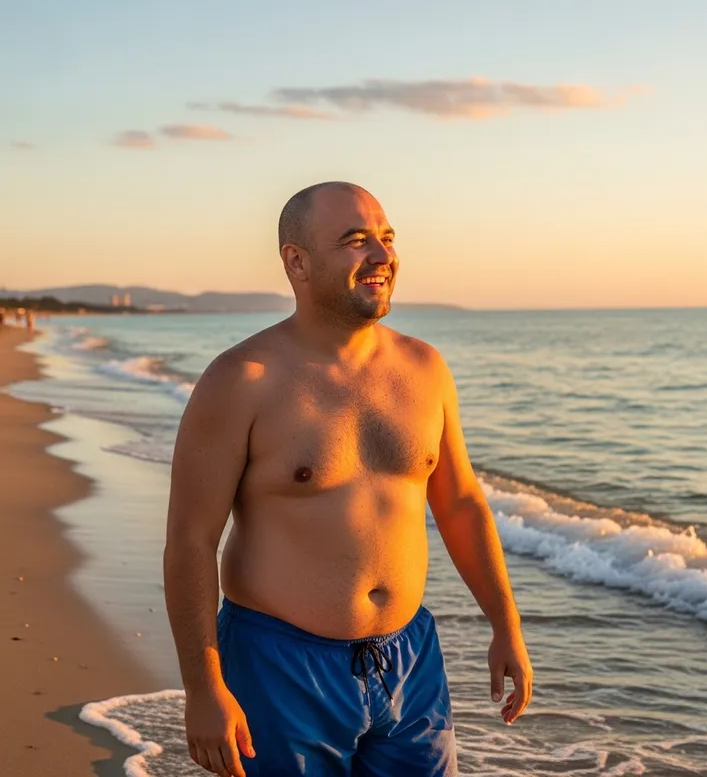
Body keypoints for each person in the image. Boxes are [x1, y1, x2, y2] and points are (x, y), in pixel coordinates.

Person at [163, 182, 533, 777]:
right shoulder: (241, 380)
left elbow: (461, 504)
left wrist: (505, 624)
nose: (382, 257)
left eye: (387, 240)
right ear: (297, 261)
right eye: (356, 242)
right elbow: (190, 541)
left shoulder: (425, 369)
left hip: (410, 662)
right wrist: (203, 688)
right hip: (279, 664)